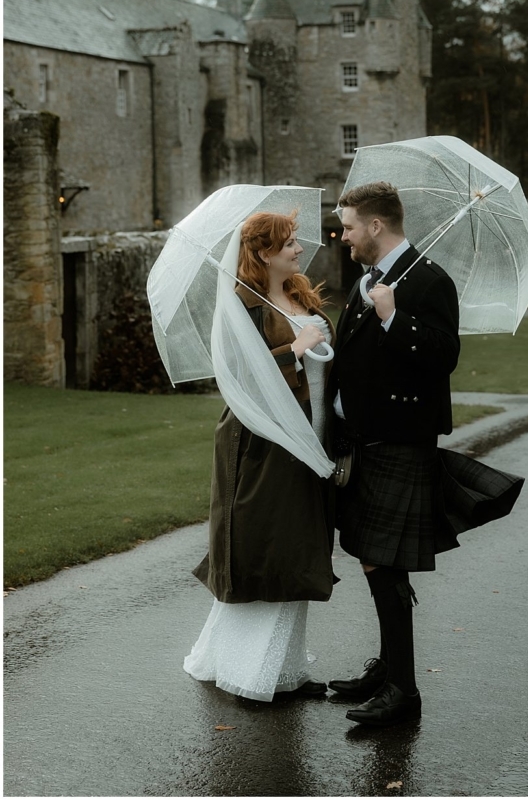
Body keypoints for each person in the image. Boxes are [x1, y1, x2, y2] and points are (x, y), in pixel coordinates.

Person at [184, 211, 336, 701]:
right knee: (270, 547)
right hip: (264, 442)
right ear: (264, 253)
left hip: (311, 435)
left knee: (298, 549)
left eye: (294, 241)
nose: (298, 249)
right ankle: (253, 673)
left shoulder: (301, 291)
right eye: (288, 243)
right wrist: (295, 347)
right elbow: (236, 375)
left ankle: (286, 670)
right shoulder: (243, 303)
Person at [326, 181, 461, 728]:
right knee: (375, 558)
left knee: (382, 561)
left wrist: (392, 318)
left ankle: (403, 691)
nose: (344, 235)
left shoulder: (427, 280)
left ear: (376, 226)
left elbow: (444, 356)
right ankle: (389, 669)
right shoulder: (372, 279)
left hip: (398, 441)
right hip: (364, 441)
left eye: (350, 226)